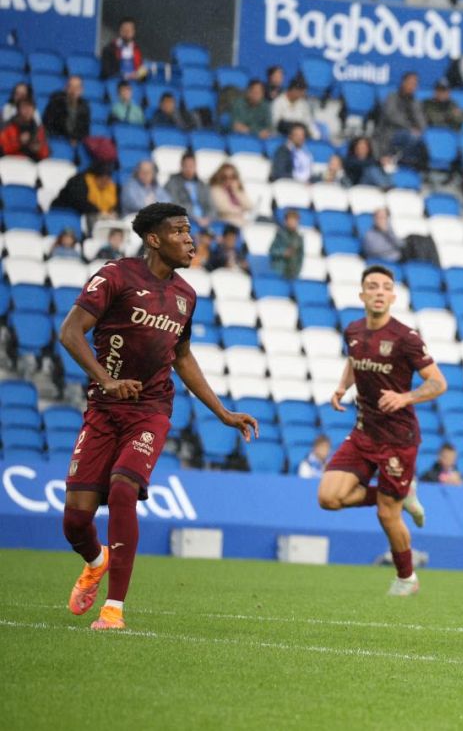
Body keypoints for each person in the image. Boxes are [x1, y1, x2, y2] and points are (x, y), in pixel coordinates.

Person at [59, 202, 258, 631]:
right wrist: (105, 380)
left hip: (150, 409)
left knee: (123, 491)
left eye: (190, 231)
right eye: (180, 231)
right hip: (103, 408)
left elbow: (182, 358)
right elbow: (70, 331)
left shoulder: (187, 295)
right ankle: (95, 561)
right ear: (154, 238)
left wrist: (222, 412)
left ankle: (114, 608)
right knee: (75, 520)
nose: (190, 239)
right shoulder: (115, 276)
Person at [320, 265, 448, 596]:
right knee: (329, 498)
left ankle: (407, 579)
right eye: (372, 286)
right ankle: (402, 492)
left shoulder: (405, 338)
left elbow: (438, 383)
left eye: (385, 287)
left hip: (397, 439)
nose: (379, 291)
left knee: (386, 515)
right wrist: (341, 387)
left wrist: (405, 396)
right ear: (362, 294)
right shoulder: (353, 330)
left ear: (393, 296)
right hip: (364, 432)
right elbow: (355, 360)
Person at [377, 71, 426, 156]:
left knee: (422, 142)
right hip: (391, 133)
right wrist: (410, 128)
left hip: (411, 134)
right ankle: (397, 158)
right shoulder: (392, 97)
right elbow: (391, 116)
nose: (412, 86)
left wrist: (419, 128)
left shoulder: (416, 102)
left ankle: (405, 161)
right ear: (403, 83)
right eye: (410, 83)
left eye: (415, 84)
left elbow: (423, 124)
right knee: (412, 137)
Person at [53, 161, 119, 220]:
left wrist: (112, 211)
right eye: (102, 179)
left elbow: (114, 205)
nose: (105, 182)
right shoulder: (80, 182)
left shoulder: (111, 186)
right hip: (65, 212)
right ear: (95, 176)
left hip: (97, 217)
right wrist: (98, 212)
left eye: (108, 179)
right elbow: (79, 202)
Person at [164, 152, 212, 229]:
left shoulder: (202, 185)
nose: (189, 169)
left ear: (196, 166)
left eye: (191, 166)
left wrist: (208, 218)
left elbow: (211, 207)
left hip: (204, 222)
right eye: (186, 166)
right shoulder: (172, 183)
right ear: (181, 166)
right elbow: (173, 205)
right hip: (184, 221)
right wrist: (194, 217)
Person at [43, 76, 91, 143]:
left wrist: (75, 138)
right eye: (70, 87)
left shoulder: (85, 107)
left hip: (74, 143)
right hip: (56, 140)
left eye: (76, 88)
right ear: (65, 88)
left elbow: (85, 132)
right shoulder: (56, 102)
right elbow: (47, 125)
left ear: (81, 90)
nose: (73, 91)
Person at [268, 208, 305, 280]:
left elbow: (301, 257)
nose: (292, 223)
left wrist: (297, 271)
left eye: (294, 221)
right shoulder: (280, 235)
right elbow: (272, 251)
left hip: (293, 273)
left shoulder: (299, 238)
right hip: (279, 271)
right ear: (286, 221)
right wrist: (283, 252)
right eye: (290, 220)